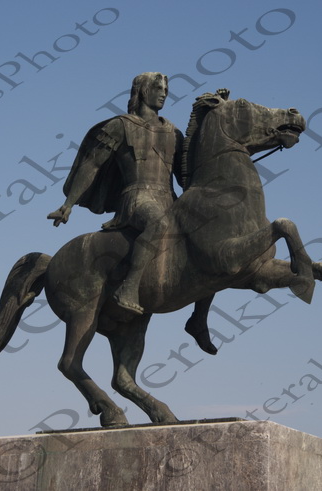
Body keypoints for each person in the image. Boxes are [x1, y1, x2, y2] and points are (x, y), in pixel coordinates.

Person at [48, 72, 218, 355]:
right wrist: (69, 204)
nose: (163, 94)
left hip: (169, 199)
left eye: (166, 90)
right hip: (137, 197)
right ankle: (129, 287)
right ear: (142, 91)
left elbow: (186, 177)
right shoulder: (120, 126)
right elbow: (92, 164)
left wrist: (208, 122)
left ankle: (198, 319)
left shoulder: (173, 132)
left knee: (209, 243)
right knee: (159, 223)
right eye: (158, 88)